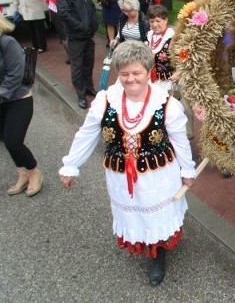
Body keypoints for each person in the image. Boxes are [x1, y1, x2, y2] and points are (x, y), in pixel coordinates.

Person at [59, 40, 196, 287]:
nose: (131, 79)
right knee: (133, 214)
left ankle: (158, 254)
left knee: (156, 216)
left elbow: (180, 141)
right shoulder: (104, 101)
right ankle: (144, 243)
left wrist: (188, 170)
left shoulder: (166, 104)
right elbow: (86, 134)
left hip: (158, 175)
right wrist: (71, 165)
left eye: (136, 73)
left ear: (149, 71)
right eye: (124, 74)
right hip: (121, 175)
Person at [0, 2, 43, 196]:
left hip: (19, 99)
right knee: (4, 139)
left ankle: (34, 172)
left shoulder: (6, 42)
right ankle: (22, 174)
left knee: (13, 141)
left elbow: (15, 74)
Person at [56, 0, 98, 109]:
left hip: (88, 35)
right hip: (76, 37)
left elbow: (91, 8)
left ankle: (89, 87)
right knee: (77, 66)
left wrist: (94, 26)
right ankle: (81, 95)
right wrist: (81, 26)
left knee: (89, 63)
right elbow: (64, 13)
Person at [147, 4, 176, 93]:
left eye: (158, 21)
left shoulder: (172, 37)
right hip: (149, 79)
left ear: (166, 20)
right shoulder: (149, 35)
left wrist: (178, 73)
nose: (154, 24)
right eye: (152, 21)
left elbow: (185, 57)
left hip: (167, 82)